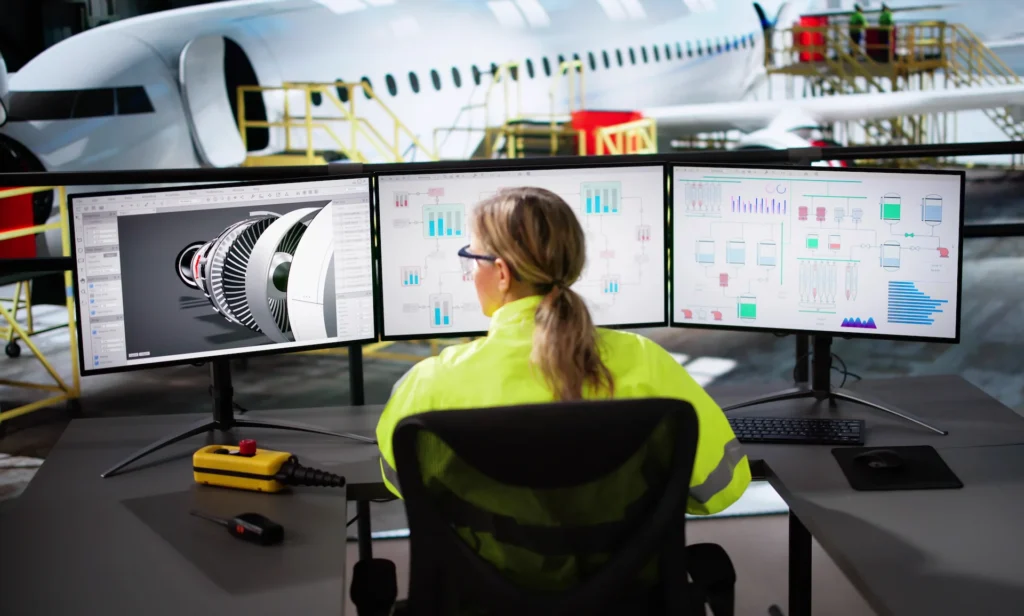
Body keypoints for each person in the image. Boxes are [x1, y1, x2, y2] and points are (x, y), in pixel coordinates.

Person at [375, 186, 751, 587]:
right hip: (623, 604)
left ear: (501, 273)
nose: (471, 271)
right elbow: (722, 489)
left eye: (472, 257)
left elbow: (398, 483)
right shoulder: (645, 361)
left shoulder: (434, 382)